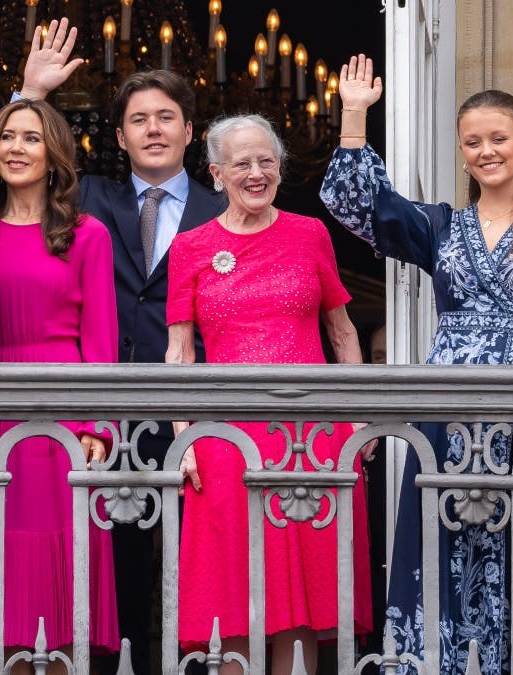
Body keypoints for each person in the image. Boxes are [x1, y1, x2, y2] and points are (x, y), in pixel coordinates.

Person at [322, 54, 513, 673]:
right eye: (472, 142)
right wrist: (352, 117)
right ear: (460, 150)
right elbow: (357, 206)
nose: (486, 151)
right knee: (441, 541)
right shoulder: (441, 227)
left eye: (498, 139)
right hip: (446, 413)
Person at [17, 21, 226, 673]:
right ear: (120, 136)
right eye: (140, 119)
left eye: (167, 117)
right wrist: (32, 94)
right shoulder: (90, 201)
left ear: (191, 130)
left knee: (202, 564)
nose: (155, 129)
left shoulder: (224, 209)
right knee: (116, 563)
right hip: (108, 413)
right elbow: (23, 171)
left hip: (201, 412)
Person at [166, 113, 374, 675]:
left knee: (302, 595)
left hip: (311, 438)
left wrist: (354, 421)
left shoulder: (310, 233)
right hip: (226, 441)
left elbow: (343, 334)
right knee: (233, 593)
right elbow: (180, 353)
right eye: (242, 163)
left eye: (267, 161)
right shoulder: (192, 247)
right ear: (215, 173)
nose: (256, 173)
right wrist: (183, 439)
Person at [0, 98, 120, 671]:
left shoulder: (87, 234)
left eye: (31, 138)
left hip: (62, 414)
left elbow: (102, 340)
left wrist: (98, 427)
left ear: (55, 154)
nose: (16, 148)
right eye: (7, 137)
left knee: (62, 581)